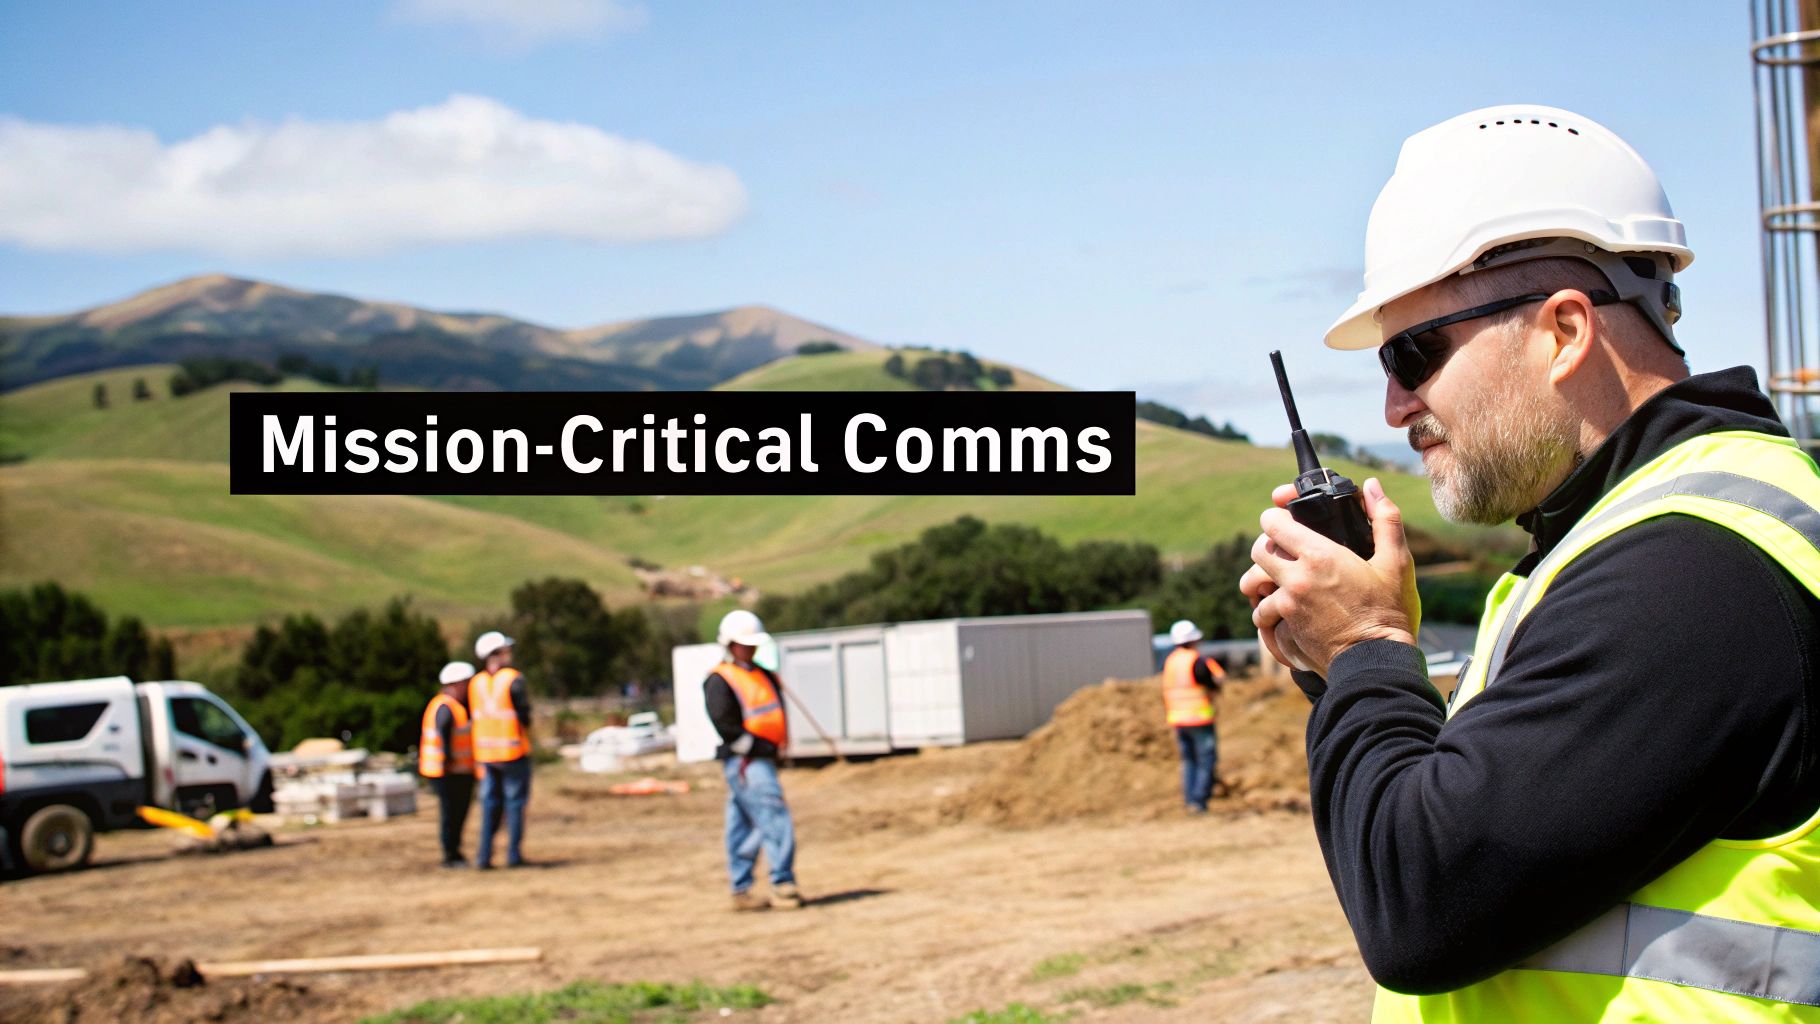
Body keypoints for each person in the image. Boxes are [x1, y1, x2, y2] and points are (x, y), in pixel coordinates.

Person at [1241, 104, 1820, 1021]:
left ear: (1565, 331)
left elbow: (1422, 901)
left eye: (1412, 354)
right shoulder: (1627, 543)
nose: (1394, 407)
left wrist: (1365, 650)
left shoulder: (1690, 571)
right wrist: (1344, 669)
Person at [703, 610, 803, 911]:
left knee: (743, 824)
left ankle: (741, 889)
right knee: (773, 815)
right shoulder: (720, 680)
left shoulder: (762, 674)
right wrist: (758, 748)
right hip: (746, 762)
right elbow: (725, 725)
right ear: (730, 644)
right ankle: (782, 883)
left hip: (763, 758)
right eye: (744, 644)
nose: (750, 649)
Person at [469, 630, 533, 869]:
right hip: (512, 752)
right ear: (497, 653)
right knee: (514, 804)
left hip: (486, 754)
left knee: (489, 806)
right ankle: (513, 855)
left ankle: (483, 856)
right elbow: (524, 714)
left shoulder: (476, 683)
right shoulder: (512, 679)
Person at [1160, 619, 1224, 813]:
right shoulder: (1197, 661)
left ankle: (1190, 800)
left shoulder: (1171, 661)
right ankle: (1199, 801)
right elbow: (1211, 682)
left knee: (1189, 761)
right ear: (1194, 639)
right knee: (1206, 760)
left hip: (1178, 719)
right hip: (1199, 717)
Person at [419, 660, 477, 868]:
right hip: (448, 772)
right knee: (451, 814)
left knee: (457, 813)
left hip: (458, 770)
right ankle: (450, 854)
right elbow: (444, 737)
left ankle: (454, 851)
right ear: (456, 683)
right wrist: (448, 762)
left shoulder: (455, 706)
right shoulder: (445, 707)